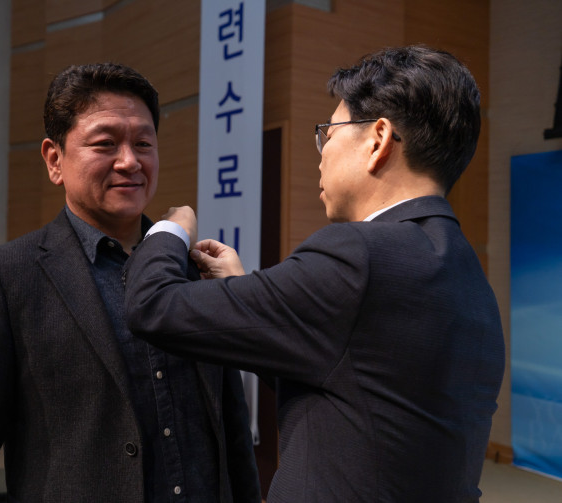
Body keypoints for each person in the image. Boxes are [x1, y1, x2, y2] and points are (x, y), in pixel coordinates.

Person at [124, 46, 505, 502]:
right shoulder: (468, 274)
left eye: (329, 132)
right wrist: (239, 291)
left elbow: (153, 306)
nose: (320, 155)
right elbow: (356, 387)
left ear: (378, 139)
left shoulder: (358, 254)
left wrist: (171, 229)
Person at [0, 62, 260, 502]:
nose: (130, 161)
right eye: (105, 144)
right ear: (54, 159)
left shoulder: (196, 268)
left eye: (143, 143)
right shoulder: (7, 277)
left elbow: (233, 431)